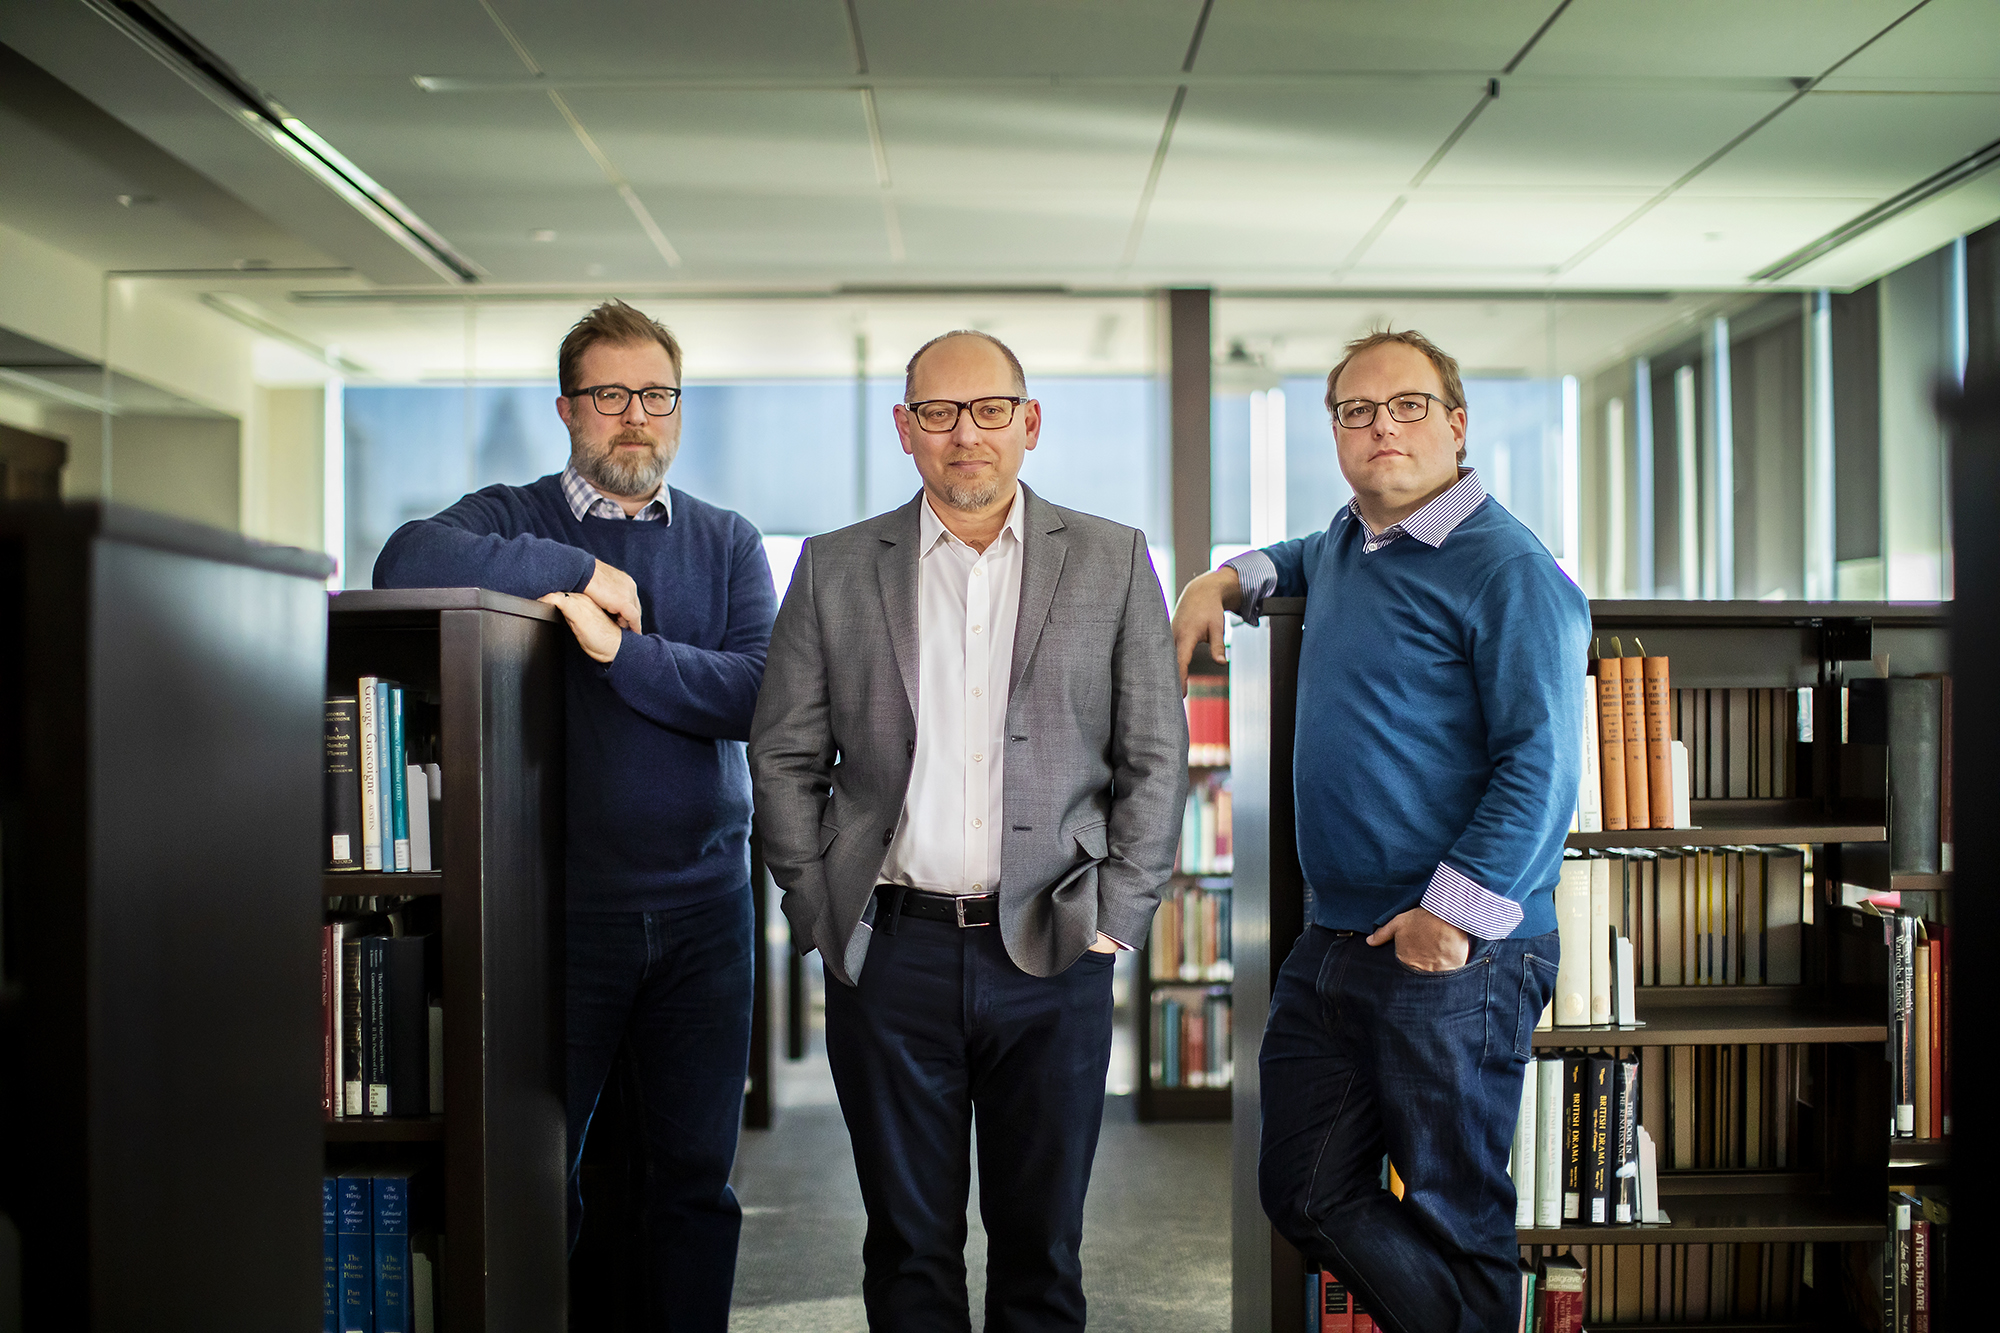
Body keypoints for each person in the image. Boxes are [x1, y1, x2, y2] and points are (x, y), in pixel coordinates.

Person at [749, 330, 1186, 1331]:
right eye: (938, 413)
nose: (965, 435)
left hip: (1054, 950)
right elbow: (782, 757)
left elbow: (1153, 758)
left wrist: (1116, 918)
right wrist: (817, 909)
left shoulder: (1113, 560)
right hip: (886, 951)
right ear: (904, 430)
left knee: (1042, 1250)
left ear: (1029, 424)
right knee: (907, 1251)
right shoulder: (834, 567)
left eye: (989, 410)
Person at [1172, 329, 1587, 1333]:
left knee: (1454, 1214)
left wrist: (1443, 920)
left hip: (1448, 953)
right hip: (1333, 941)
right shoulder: (1354, 541)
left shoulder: (1509, 569)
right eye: (1354, 412)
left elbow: (1541, 767)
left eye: (1404, 406)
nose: (1378, 428)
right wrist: (1217, 580)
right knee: (1303, 1189)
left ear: (1454, 423)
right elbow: (1300, 556)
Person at [373, 300, 774, 1332]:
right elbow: (405, 559)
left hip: (703, 911)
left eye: (655, 395)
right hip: (560, 910)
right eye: (608, 395)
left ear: (678, 410)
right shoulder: (511, 519)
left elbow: (753, 694)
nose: (633, 416)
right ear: (566, 408)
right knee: (541, 1171)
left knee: (692, 1177)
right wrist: (578, 571)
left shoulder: (727, 542)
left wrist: (618, 651)